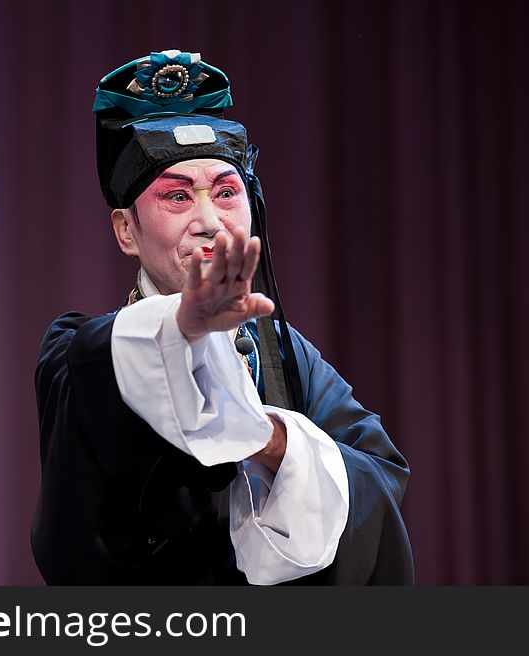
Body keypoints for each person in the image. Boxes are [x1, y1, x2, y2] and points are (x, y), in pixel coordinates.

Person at [31, 50, 414, 585]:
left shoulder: (280, 352)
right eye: (177, 196)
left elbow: (380, 474)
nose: (209, 222)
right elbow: (77, 528)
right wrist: (185, 330)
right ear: (125, 230)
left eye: (227, 192)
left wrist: (274, 441)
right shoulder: (77, 357)